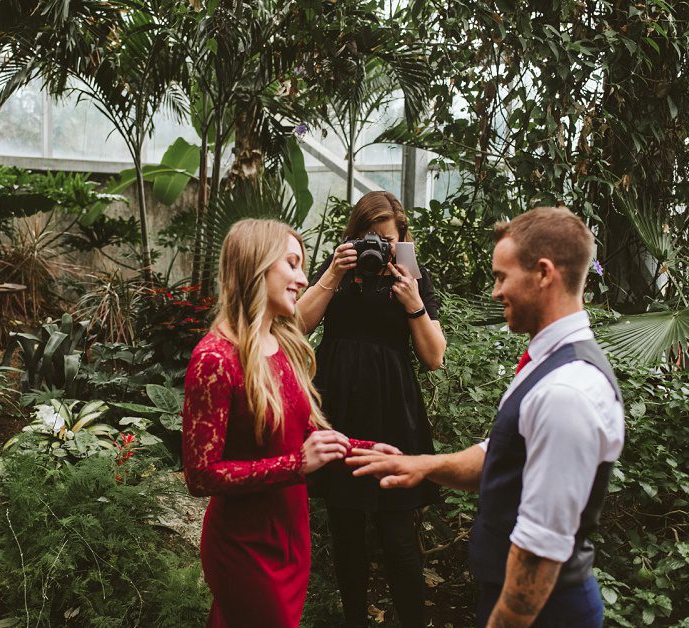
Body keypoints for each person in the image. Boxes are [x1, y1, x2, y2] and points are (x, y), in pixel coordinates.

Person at [348, 206, 625, 628]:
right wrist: (423, 465)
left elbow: (539, 552)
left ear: (544, 274)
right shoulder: (547, 362)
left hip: (541, 611)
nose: (495, 293)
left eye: (501, 277)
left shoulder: (567, 392)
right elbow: (502, 453)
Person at [182, 219, 400, 628]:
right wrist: (295, 466)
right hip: (244, 545)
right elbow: (199, 476)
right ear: (256, 266)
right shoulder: (215, 358)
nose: (302, 278)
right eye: (293, 264)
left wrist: (365, 450)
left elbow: (300, 435)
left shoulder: (280, 344)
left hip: (289, 533)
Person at [297, 191, 447, 628]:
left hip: (391, 414)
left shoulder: (412, 276)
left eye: (385, 239)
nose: (375, 247)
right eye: (368, 237)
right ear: (354, 234)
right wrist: (332, 276)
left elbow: (434, 357)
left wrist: (412, 302)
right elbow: (298, 326)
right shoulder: (337, 267)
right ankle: (354, 620)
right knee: (346, 531)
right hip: (338, 407)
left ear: (400, 242)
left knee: (398, 534)